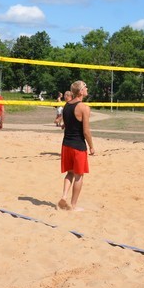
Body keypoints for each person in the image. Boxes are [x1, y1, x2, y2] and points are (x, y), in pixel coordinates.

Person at [58, 80, 95, 211]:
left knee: (70, 173)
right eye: (85, 86)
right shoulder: (84, 107)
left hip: (66, 144)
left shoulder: (67, 105)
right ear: (80, 91)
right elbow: (86, 131)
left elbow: (66, 125)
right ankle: (73, 206)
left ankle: (64, 196)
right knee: (79, 175)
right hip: (78, 145)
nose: (87, 88)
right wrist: (91, 146)